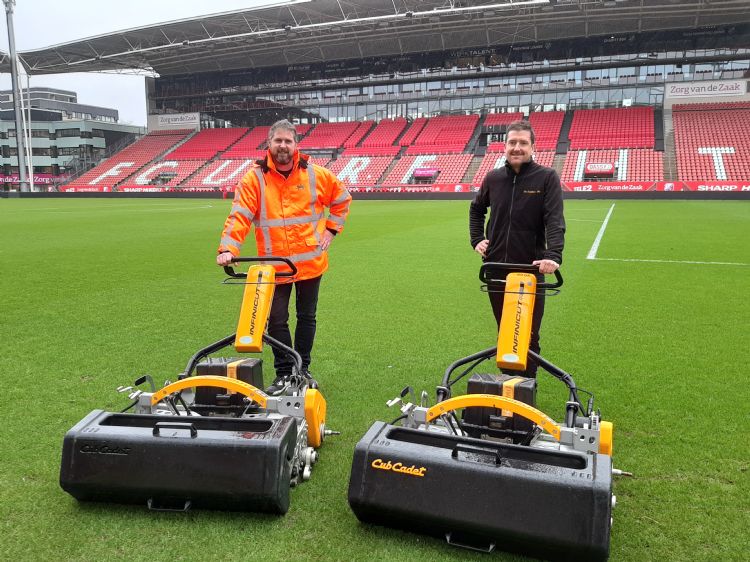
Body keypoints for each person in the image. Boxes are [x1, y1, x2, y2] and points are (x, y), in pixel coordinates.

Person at [217, 119, 351, 394]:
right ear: (269, 143)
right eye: (278, 140)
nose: (282, 146)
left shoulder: (316, 175)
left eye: (288, 141)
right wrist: (228, 249)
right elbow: (240, 215)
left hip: (310, 263)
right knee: (276, 320)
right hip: (274, 265)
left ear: (296, 145)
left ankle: (303, 369)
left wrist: (331, 230)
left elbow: (342, 199)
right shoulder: (254, 179)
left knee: (307, 317)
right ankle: (284, 372)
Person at [469, 119, 565, 377]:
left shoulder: (546, 178)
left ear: (533, 147)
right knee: (505, 331)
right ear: (505, 146)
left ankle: (526, 389)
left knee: (528, 336)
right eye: (512, 142)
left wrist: (553, 255)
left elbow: (554, 219)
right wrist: (477, 239)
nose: (517, 147)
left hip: (529, 269)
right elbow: (476, 209)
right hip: (495, 268)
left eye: (523, 142)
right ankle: (506, 387)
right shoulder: (493, 178)